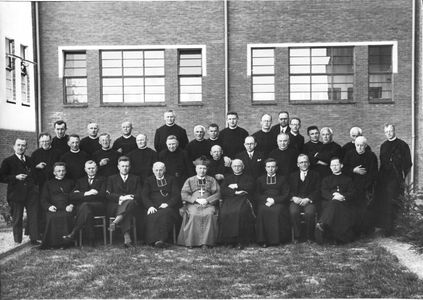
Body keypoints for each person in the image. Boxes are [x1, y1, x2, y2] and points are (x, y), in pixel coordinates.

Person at [374, 124, 412, 237]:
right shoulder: (383, 146)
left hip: (396, 178)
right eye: (387, 132)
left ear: (394, 131)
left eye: (391, 131)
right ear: (384, 133)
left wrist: (402, 175)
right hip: (385, 178)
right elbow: (382, 162)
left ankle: (394, 228)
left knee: (394, 201)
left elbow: (408, 163)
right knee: (384, 201)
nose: (389, 133)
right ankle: (385, 227)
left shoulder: (402, 145)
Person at [0, 138, 40, 246]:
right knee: (17, 218)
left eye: (23, 145)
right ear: (14, 147)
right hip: (16, 194)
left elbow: (34, 175)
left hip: (31, 194)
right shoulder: (8, 161)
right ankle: (17, 241)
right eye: (18, 145)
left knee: (33, 216)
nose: (21, 147)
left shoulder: (30, 160)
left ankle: (34, 239)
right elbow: (2, 177)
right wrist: (15, 177)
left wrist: (35, 188)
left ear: (26, 147)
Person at [177, 157, 221, 249]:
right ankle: (192, 242)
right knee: (193, 215)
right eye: (200, 168)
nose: (202, 170)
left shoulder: (211, 180)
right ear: (196, 169)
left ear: (207, 169)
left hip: (208, 204)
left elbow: (218, 193)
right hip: (193, 204)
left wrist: (207, 200)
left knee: (209, 215)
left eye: (204, 168)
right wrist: (196, 200)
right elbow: (184, 194)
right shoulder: (190, 180)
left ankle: (206, 242)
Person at [63, 161, 107, 246]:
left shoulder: (102, 179)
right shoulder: (80, 181)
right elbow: (72, 195)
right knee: (87, 210)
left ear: (97, 168)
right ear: (85, 169)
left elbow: (101, 195)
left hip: (98, 206)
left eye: (93, 168)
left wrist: (81, 194)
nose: (91, 170)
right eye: (89, 168)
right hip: (85, 208)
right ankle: (91, 240)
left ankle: (74, 232)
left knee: (85, 205)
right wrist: (88, 193)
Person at [315, 158, 357, 245]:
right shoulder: (326, 179)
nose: (334, 167)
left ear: (341, 166)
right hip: (330, 202)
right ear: (330, 167)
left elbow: (352, 192)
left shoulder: (348, 179)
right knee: (334, 204)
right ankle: (336, 237)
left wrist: (343, 196)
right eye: (332, 165)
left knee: (336, 205)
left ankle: (322, 223)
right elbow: (324, 192)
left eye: (336, 165)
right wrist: (333, 197)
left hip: (344, 203)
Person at [342, 136, 378, 236]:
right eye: (357, 145)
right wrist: (353, 170)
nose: (359, 148)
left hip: (366, 187)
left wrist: (366, 187)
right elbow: (344, 169)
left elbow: (373, 172)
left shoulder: (371, 156)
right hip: (352, 186)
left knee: (365, 209)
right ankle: (354, 231)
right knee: (353, 208)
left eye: (362, 146)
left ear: (366, 146)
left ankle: (365, 231)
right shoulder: (349, 154)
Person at [141, 162, 181, 248]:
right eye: (156, 170)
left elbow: (176, 195)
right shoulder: (149, 180)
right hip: (153, 206)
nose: (158, 173)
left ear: (165, 170)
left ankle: (161, 240)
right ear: (153, 170)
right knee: (153, 215)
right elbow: (144, 195)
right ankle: (152, 240)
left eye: (160, 170)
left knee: (164, 214)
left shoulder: (170, 179)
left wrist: (167, 204)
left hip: (167, 207)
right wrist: (150, 206)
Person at [219, 159, 255, 250]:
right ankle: (230, 241)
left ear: (243, 167)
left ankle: (241, 241)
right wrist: (235, 193)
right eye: (234, 166)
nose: (237, 168)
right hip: (230, 199)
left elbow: (250, 186)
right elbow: (223, 190)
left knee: (242, 213)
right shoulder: (228, 178)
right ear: (231, 167)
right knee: (225, 213)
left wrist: (237, 185)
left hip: (244, 199)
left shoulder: (248, 177)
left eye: (239, 166)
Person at [106, 156, 142, 248]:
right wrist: (122, 197)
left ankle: (115, 222)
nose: (125, 168)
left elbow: (139, 194)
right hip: (115, 205)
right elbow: (108, 194)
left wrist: (131, 197)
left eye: (127, 166)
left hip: (132, 205)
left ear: (130, 167)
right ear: (118, 167)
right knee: (128, 210)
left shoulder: (136, 178)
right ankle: (127, 238)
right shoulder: (111, 178)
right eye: (122, 166)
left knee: (131, 203)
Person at [31, 132, 63, 235]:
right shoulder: (35, 154)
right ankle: (42, 231)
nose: (45, 143)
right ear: (40, 142)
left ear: (51, 141)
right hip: (41, 185)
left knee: (56, 205)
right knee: (42, 206)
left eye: (47, 141)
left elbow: (62, 167)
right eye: (43, 141)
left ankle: (56, 231)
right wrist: (37, 167)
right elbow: (30, 170)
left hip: (55, 184)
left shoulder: (58, 152)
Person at [255, 158, 291, 247]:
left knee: (278, 211)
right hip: (264, 202)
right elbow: (256, 194)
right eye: (268, 167)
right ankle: (263, 240)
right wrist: (267, 199)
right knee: (262, 211)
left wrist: (274, 200)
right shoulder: (260, 179)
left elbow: (286, 194)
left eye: (273, 167)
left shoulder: (282, 179)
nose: (270, 169)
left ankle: (277, 240)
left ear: (276, 168)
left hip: (278, 202)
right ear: (265, 168)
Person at [39, 162, 74, 249]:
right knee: (52, 217)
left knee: (65, 216)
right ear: (54, 172)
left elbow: (74, 196)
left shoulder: (71, 182)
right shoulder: (48, 184)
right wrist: (49, 206)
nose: (61, 173)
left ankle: (65, 243)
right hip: (53, 208)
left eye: (63, 171)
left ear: (65, 171)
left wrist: (71, 205)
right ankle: (53, 244)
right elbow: (43, 199)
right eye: (58, 171)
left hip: (66, 208)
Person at [288, 154, 321, 243]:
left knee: (310, 213)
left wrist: (308, 199)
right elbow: (288, 189)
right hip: (296, 200)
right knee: (294, 212)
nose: (304, 164)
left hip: (309, 201)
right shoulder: (292, 176)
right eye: (301, 162)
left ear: (309, 163)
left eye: (306, 162)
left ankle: (309, 236)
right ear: (298, 164)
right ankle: (297, 236)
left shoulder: (316, 175)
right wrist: (293, 197)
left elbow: (318, 190)